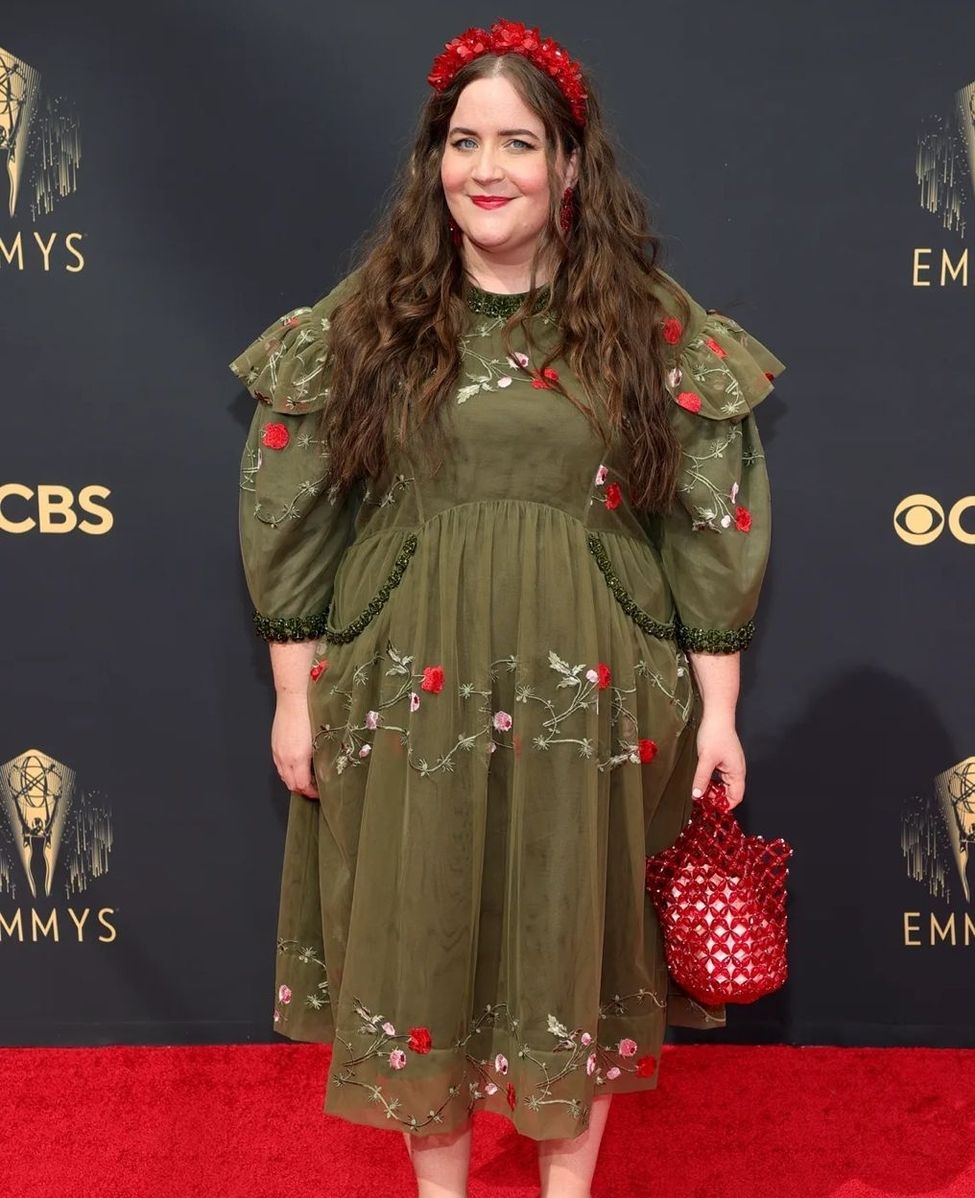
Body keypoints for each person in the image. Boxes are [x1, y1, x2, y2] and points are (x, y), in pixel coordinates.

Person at [230, 17, 785, 1198]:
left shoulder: (644, 322)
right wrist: (293, 696)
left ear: (570, 165)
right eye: (464, 141)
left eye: (518, 142)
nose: (488, 168)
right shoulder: (369, 323)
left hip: (594, 690)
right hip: (403, 683)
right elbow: (294, 510)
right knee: (419, 928)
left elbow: (706, 519)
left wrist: (721, 710)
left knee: (568, 942)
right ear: (435, 163)